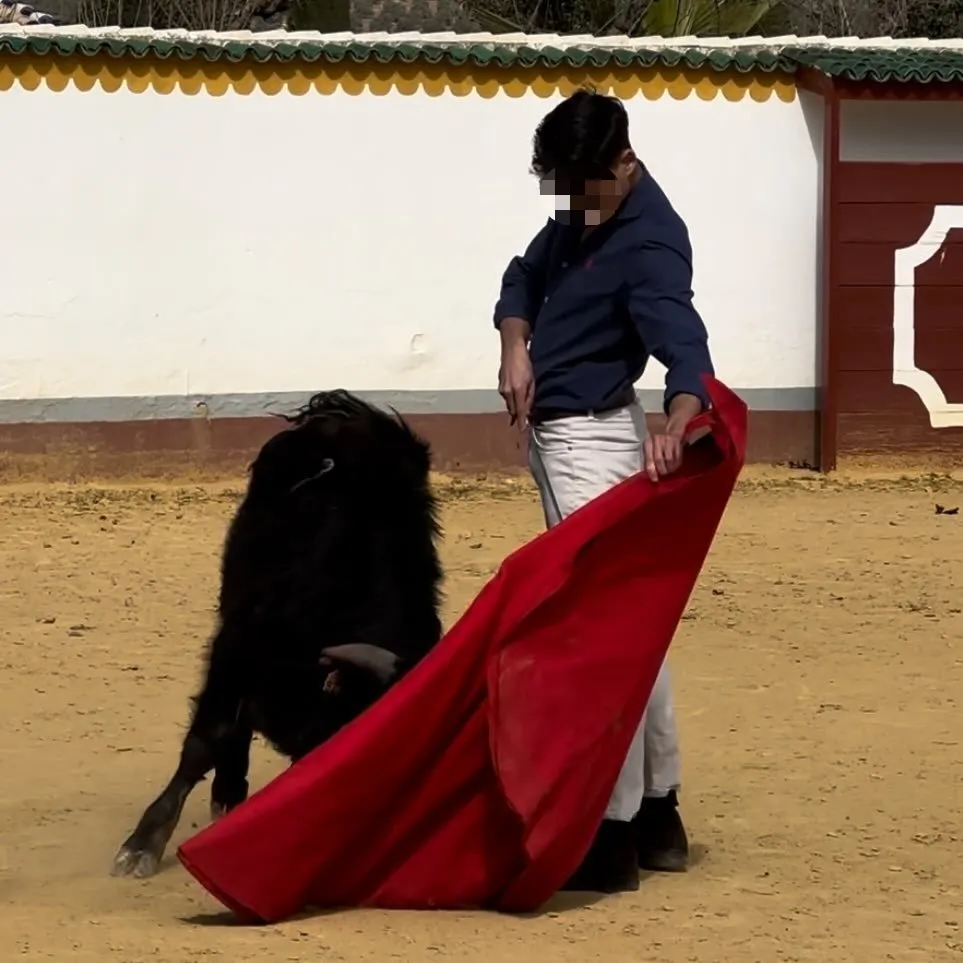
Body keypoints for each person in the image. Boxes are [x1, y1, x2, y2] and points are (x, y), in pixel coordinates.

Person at [492, 88, 715, 894]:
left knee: (599, 634)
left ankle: (611, 830)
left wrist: (679, 414)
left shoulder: (651, 239)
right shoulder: (585, 201)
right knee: (632, 625)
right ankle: (658, 811)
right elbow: (522, 275)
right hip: (571, 433)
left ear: (624, 162)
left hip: (594, 438)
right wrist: (516, 343)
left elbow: (682, 345)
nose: (573, 212)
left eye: (584, 192)